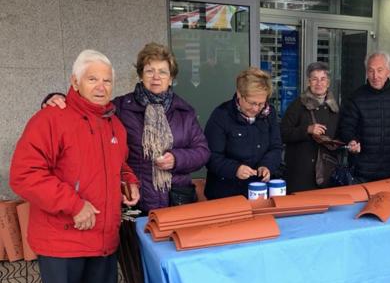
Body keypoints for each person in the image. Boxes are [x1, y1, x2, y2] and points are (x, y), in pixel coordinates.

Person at [10, 50, 141, 283]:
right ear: (75, 82)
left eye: (107, 79)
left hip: (103, 231)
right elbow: (23, 175)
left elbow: (120, 165)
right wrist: (73, 204)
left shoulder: (114, 123)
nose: (101, 86)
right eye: (92, 79)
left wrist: (130, 183)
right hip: (62, 235)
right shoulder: (51, 119)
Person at [42, 43, 210, 213]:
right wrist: (58, 98)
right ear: (140, 75)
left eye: (163, 72)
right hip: (137, 199)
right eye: (149, 71)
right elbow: (89, 109)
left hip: (178, 199)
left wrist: (177, 159)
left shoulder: (184, 112)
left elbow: (202, 152)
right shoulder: (121, 108)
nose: (156, 77)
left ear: (171, 78)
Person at [204, 67, 282, 199]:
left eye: (261, 103)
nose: (256, 108)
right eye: (252, 103)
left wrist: (267, 166)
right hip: (226, 193)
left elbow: (276, 147)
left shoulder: (269, 114)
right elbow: (210, 156)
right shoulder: (221, 115)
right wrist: (235, 169)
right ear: (239, 94)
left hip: (260, 190)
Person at [337, 51, 390, 182]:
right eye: (371, 71)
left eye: (380, 70)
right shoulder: (356, 98)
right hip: (361, 172)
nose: (375, 76)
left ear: (389, 71)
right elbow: (346, 127)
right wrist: (351, 140)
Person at [281, 62, 340, 192]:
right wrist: (307, 130)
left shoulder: (335, 108)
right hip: (299, 173)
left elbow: (340, 135)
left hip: (326, 171)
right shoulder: (297, 105)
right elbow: (283, 133)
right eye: (314, 79)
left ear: (328, 83)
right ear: (308, 82)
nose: (319, 83)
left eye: (323, 79)